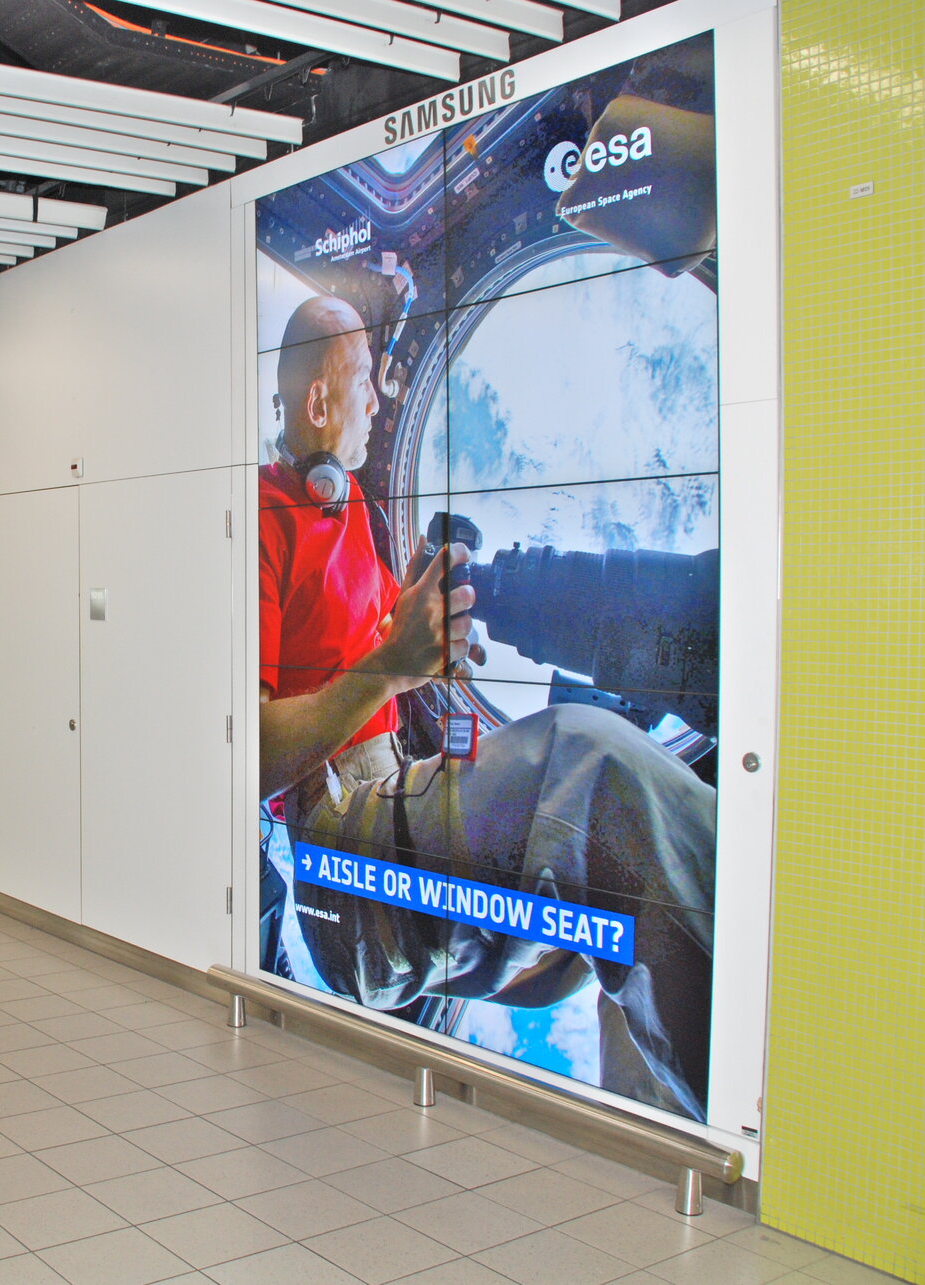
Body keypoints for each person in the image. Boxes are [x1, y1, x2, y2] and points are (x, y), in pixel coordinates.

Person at [259, 294, 717, 1121]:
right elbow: (242, 752)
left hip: (391, 798)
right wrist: (392, 668)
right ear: (319, 403)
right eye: (366, 384)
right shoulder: (264, 517)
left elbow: (365, 662)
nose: (379, 401)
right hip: (334, 845)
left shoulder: (355, 512)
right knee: (589, 766)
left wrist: (420, 631)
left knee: (627, 831)